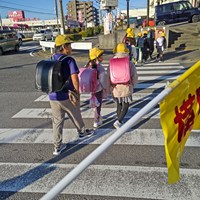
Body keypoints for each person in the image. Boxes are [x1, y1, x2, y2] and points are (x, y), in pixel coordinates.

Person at [49, 34, 94, 156]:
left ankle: (57, 147)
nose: (71, 48)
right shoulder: (69, 60)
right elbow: (75, 78)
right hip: (66, 94)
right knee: (75, 113)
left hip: (52, 95)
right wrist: (77, 92)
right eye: (69, 45)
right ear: (64, 47)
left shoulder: (51, 58)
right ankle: (82, 132)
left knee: (57, 121)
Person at [108, 43, 138, 129]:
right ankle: (119, 121)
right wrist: (132, 84)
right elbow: (134, 76)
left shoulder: (112, 62)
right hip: (126, 87)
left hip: (115, 87)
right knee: (126, 106)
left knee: (119, 104)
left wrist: (109, 87)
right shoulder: (129, 62)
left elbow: (108, 76)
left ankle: (119, 119)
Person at [87, 47, 107, 128]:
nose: (102, 57)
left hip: (91, 89)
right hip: (98, 89)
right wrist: (105, 88)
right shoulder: (100, 67)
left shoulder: (88, 65)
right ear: (96, 57)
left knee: (95, 104)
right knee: (98, 106)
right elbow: (103, 80)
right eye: (101, 55)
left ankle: (98, 117)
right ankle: (96, 120)